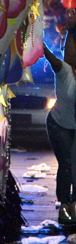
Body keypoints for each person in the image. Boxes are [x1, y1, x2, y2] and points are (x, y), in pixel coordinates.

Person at [43, 33, 76, 224]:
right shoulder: (64, 70)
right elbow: (51, 58)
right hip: (59, 125)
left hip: (72, 126)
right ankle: (64, 205)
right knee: (66, 165)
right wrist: (39, 42)